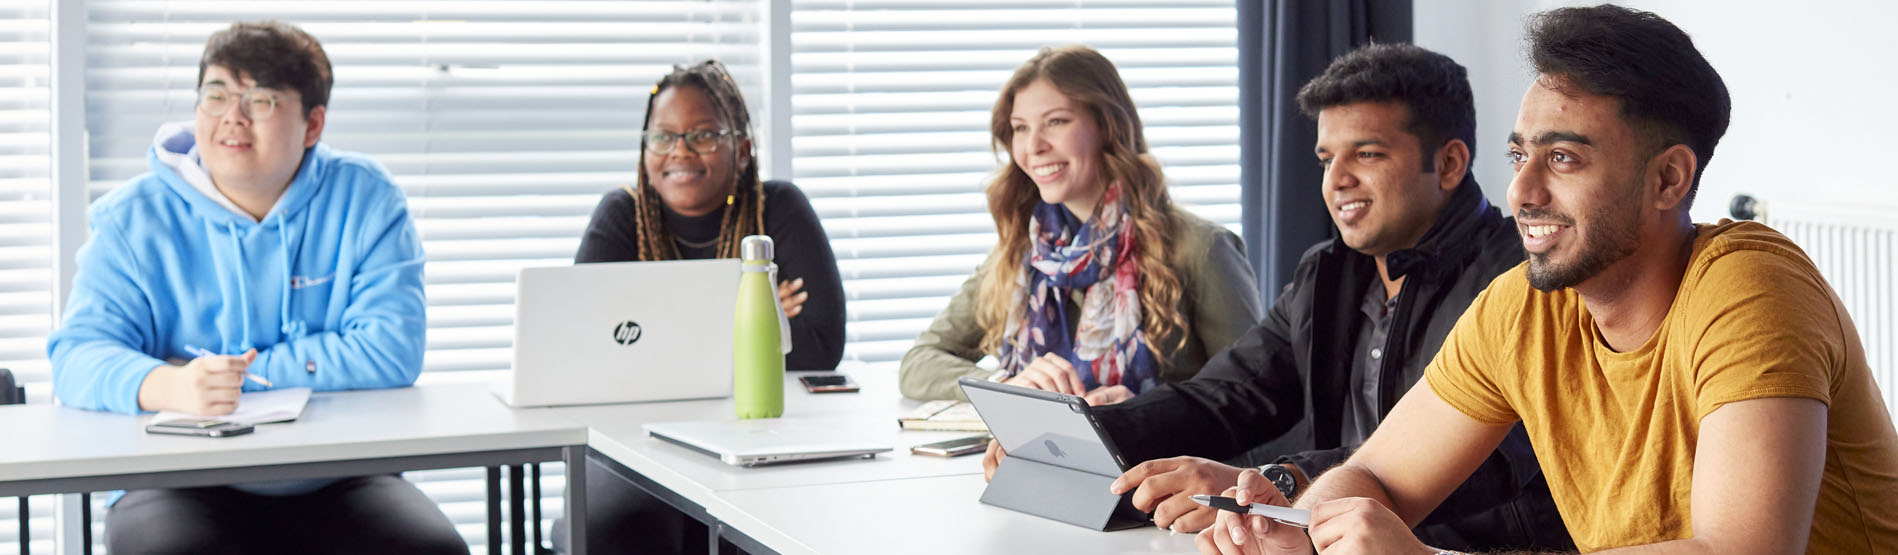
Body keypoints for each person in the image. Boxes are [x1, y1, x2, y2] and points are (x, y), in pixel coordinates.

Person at [1202, 5, 1898, 554]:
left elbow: (1741, 549)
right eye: (1518, 155)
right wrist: (1303, 528)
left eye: (1562, 158)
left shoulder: (1749, 287)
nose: (1520, 192)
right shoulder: (1523, 307)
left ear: (1668, 178)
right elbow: (1378, 477)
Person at [982, 43, 1571, 551]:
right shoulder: (1328, 274)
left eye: (1366, 154)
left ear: (1447, 164)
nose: (1335, 180)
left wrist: (1281, 483)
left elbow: (1492, 465)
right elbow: (1228, 396)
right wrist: (1074, 435)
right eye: (1326, 158)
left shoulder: (1522, 282)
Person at [46, 21, 465, 554]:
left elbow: (390, 349)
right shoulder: (133, 219)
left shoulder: (366, 200)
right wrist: (170, 386)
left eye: (261, 101)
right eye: (215, 94)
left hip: (338, 472)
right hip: (177, 479)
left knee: (431, 550)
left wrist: (240, 377)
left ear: (313, 124)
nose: (232, 118)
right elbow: (77, 355)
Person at [898, 44, 1262, 404]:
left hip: (1157, 459)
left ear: (1107, 125)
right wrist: (1008, 385)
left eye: (1056, 122)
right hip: (1044, 460)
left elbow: (1259, 401)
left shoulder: (1201, 248)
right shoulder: (1025, 252)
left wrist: (1147, 412)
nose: (1034, 145)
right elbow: (919, 363)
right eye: (1020, 128)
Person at [576, 60, 845, 372]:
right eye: (663, 137)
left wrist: (661, 326)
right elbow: (589, 345)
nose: (680, 151)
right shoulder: (622, 216)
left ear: (743, 152)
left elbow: (818, 349)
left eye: (703, 135)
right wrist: (753, 320)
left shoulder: (780, 208)